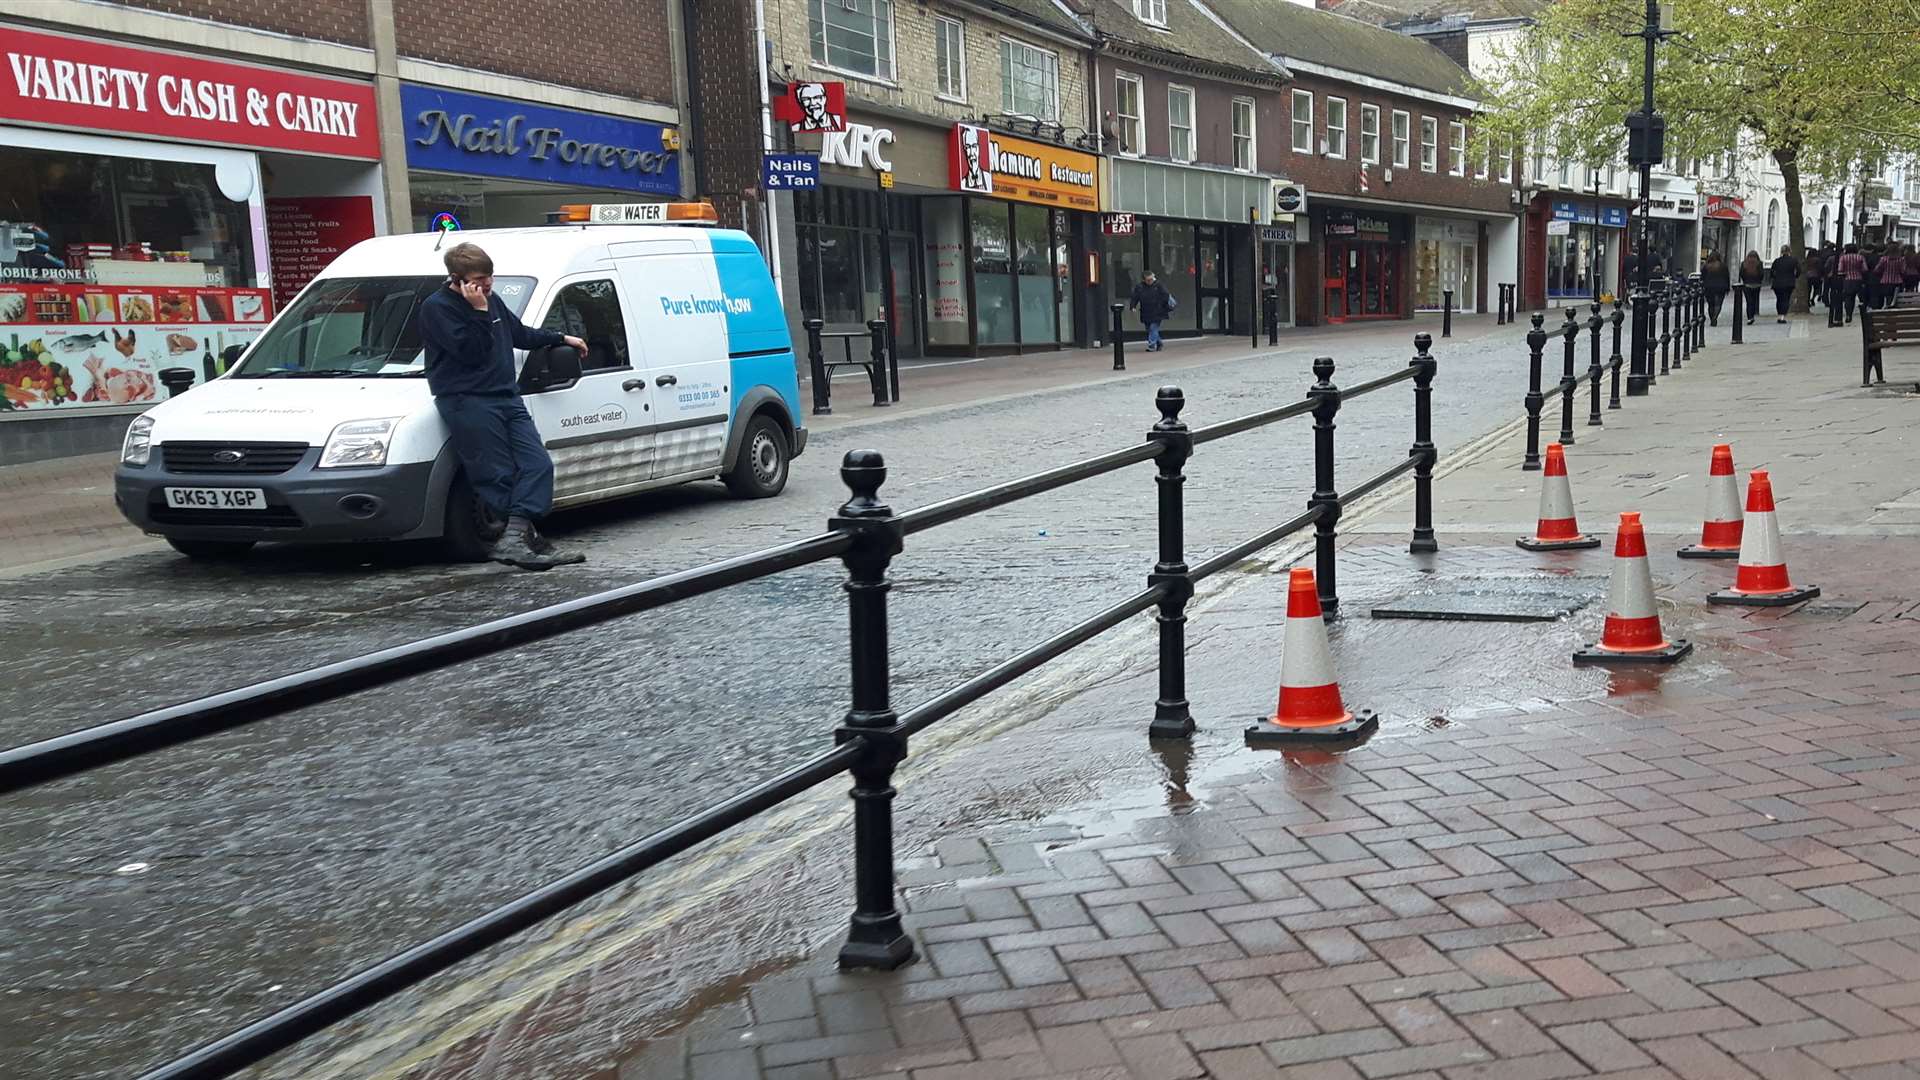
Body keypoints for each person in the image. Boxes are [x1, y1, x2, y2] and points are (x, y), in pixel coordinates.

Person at [418, 242, 589, 570]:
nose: (488, 284)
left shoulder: (491, 300)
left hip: (506, 397)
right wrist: (479, 312)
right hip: (467, 400)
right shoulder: (437, 308)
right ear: (458, 279)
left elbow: (518, 334)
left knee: (538, 465)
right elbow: (471, 352)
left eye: (490, 276)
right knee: (495, 476)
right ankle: (526, 543)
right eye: (480, 279)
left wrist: (560, 338)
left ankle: (517, 540)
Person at [1129, 270, 1173, 352]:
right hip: (1146, 311)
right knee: (1149, 329)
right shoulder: (1139, 287)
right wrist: (1133, 306)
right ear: (1144, 280)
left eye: (1152, 279)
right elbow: (1135, 297)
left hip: (1158, 311)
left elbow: (1166, 295)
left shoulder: (1159, 285)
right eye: (1148, 280)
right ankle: (1159, 342)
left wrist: (1161, 304)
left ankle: (1151, 345)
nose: (1151, 281)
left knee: (1153, 328)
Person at [1769, 244, 1799, 323]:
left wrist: (1775, 277)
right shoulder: (1793, 260)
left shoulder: (1777, 261)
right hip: (1789, 283)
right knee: (1786, 299)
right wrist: (1795, 276)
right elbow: (1799, 270)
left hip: (1777, 284)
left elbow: (1772, 272)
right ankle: (1783, 317)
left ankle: (1779, 315)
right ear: (1789, 251)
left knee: (1779, 299)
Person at [1838, 242, 1867, 323]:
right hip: (1858, 279)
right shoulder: (1860, 257)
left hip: (1847, 279)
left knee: (1848, 297)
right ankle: (1864, 314)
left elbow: (1840, 270)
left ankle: (1848, 315)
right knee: (1859, 297)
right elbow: (1865, 269)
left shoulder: (1843, 258)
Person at [1700, 251, 1730, 326]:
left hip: (1709, 287)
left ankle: (1712, 318)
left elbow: (1702, 277)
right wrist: (1728, 288)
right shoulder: (1723, 266)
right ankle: (1715, 317)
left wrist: (1703, 285)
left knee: (1711, 304)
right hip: (1721, 287)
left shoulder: (1706, 266)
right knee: (1718, 304)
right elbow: (1727, 277)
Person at [1738, 250, 1765, 325]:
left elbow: (1741, 273)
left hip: (1747, 285)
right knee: (1754, 300)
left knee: (1749, 302)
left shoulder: (1744, 263)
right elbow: (1761, 274)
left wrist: (1745, 281)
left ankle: (1750, 317)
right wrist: (1759, 281)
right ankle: (1753, 314)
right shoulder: (1759, 263)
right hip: (1756, 285)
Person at [1878, 241, 1908, 308]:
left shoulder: (1883, 259)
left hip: (1885, 281)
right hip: (1897, 281)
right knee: (1896, 299)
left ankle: (1888, 311)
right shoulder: (1901, 260)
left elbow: (1877, 269)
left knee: (1887, 297)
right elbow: (1903, 271)